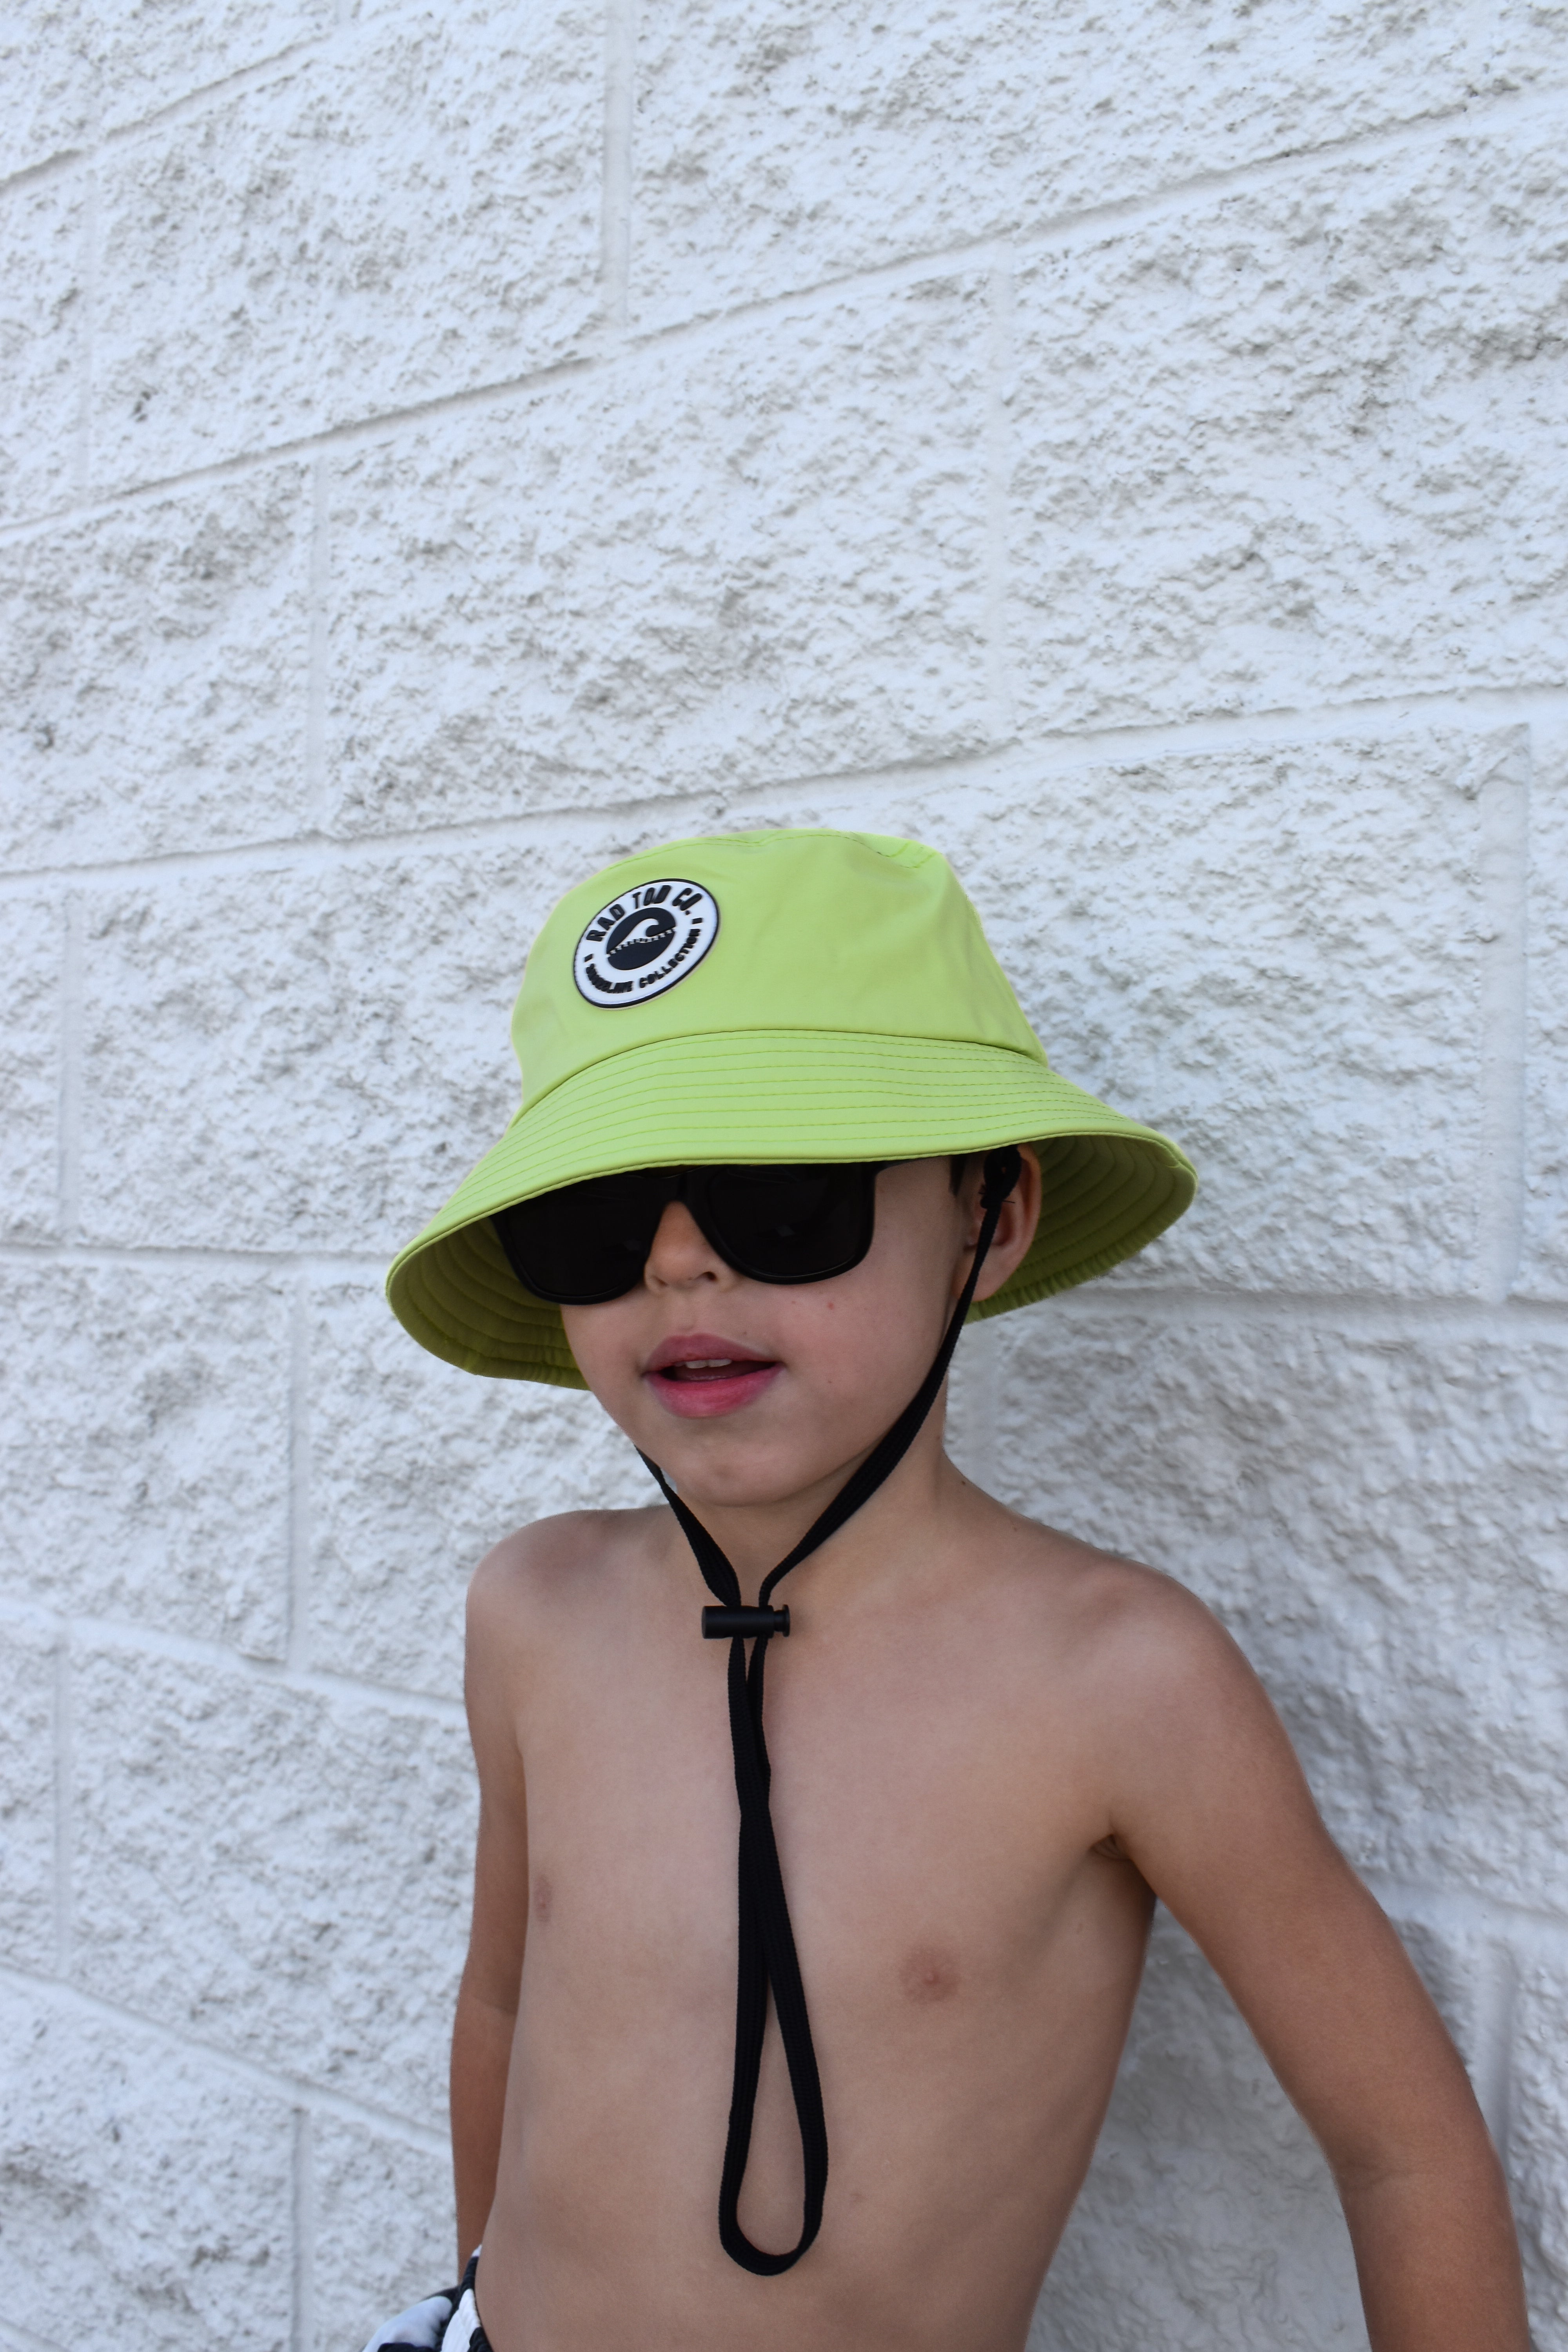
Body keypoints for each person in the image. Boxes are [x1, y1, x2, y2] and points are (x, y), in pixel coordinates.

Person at [368, 828, 1526, 2352]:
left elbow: (1404, 2152)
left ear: (992, 1219)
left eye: (779, 1195)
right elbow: (506, 2008)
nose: (678, 1268)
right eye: (593, 1218)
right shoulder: (532, 1610)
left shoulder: (1117, 1680)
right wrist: (469, 2298)